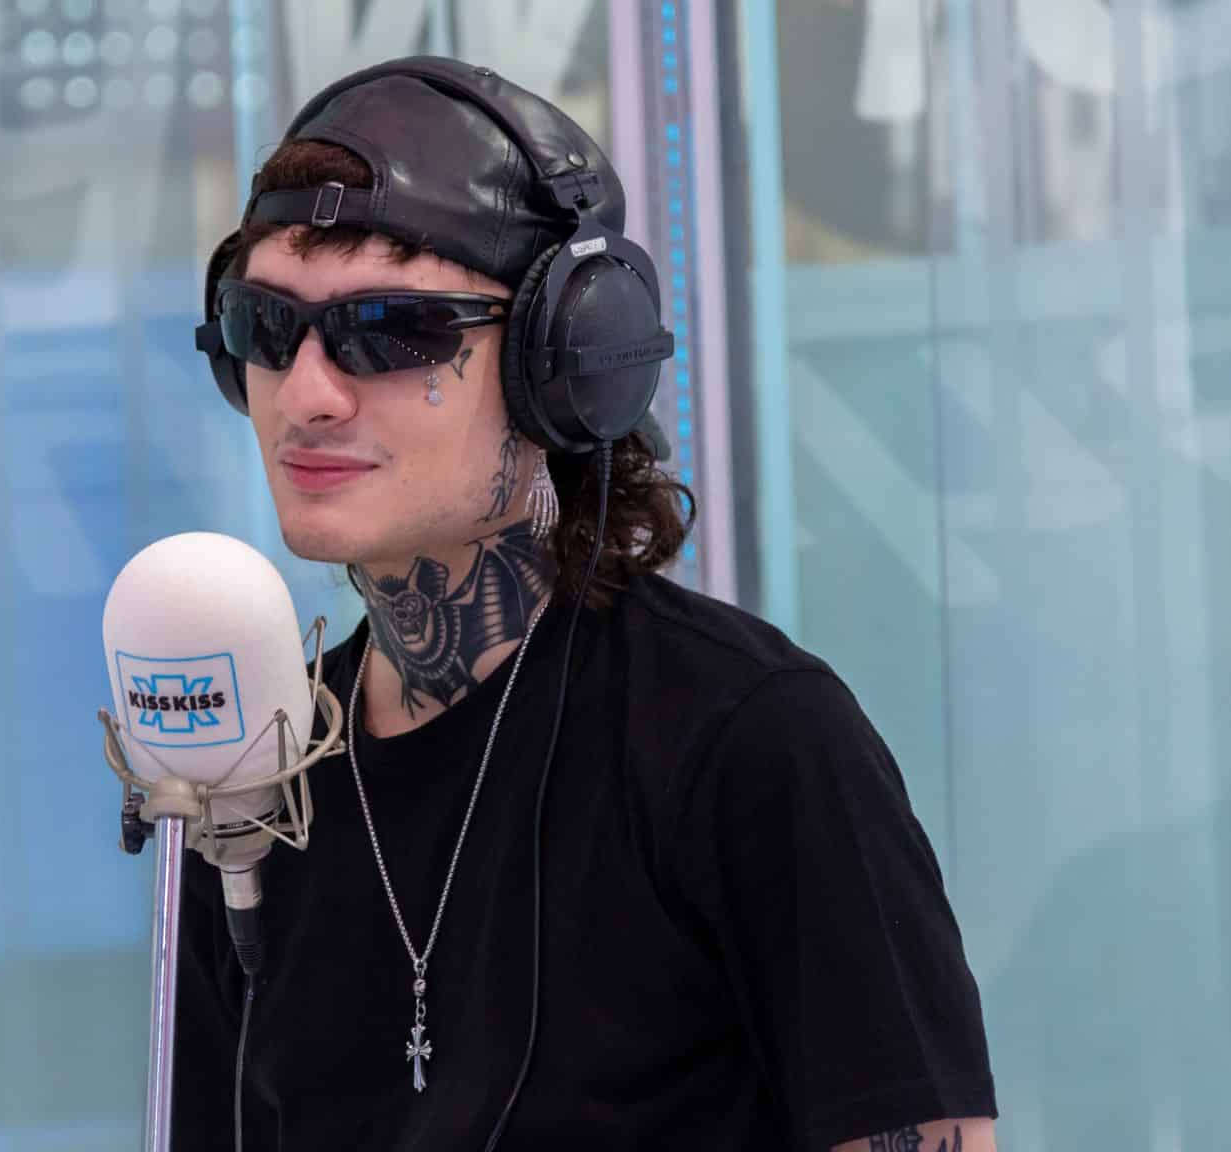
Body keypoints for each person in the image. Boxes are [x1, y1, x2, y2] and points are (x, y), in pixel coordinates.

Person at [174, 56, 998, 1151]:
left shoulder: (750, 742)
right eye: (265, 325)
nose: (309, 395)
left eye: (389, 328)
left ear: (560, 363)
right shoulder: (254, 779)